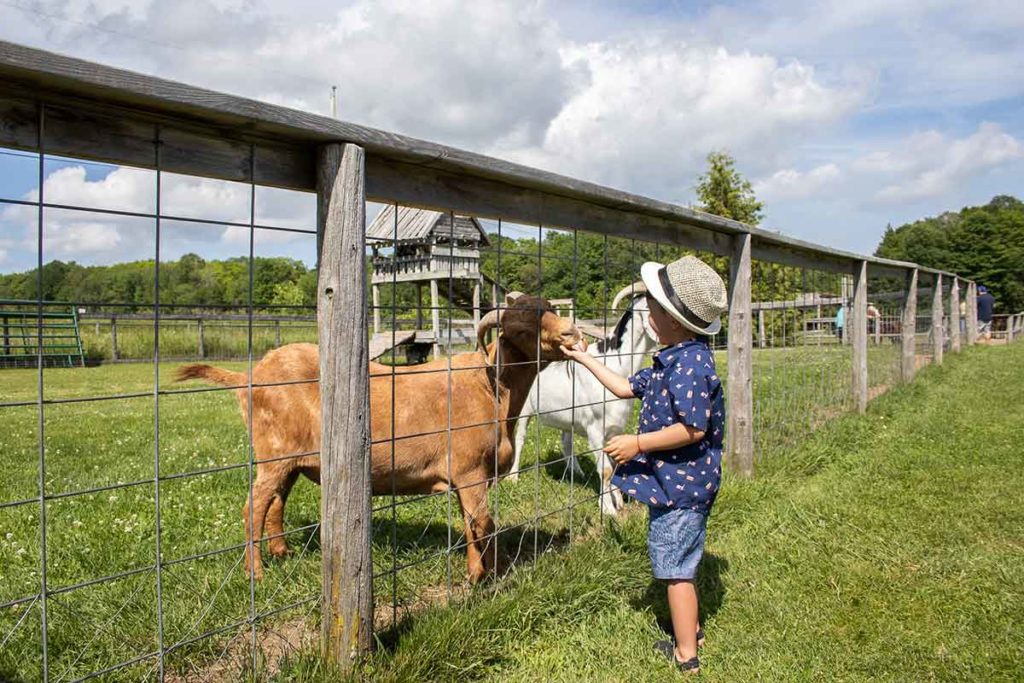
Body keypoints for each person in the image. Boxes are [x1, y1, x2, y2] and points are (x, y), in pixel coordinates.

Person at [562, 255, 727, 675]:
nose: (646, 312)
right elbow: (621, 386)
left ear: (673, 320)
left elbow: (693, 428)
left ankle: (686, 654)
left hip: (683, 487)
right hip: (675, 482)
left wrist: (637, 442)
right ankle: (692, 630)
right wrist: (582, 357)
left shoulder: (689, 366)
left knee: (676, 570)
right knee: (678, 558)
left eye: (652, 306)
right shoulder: (673, 358)